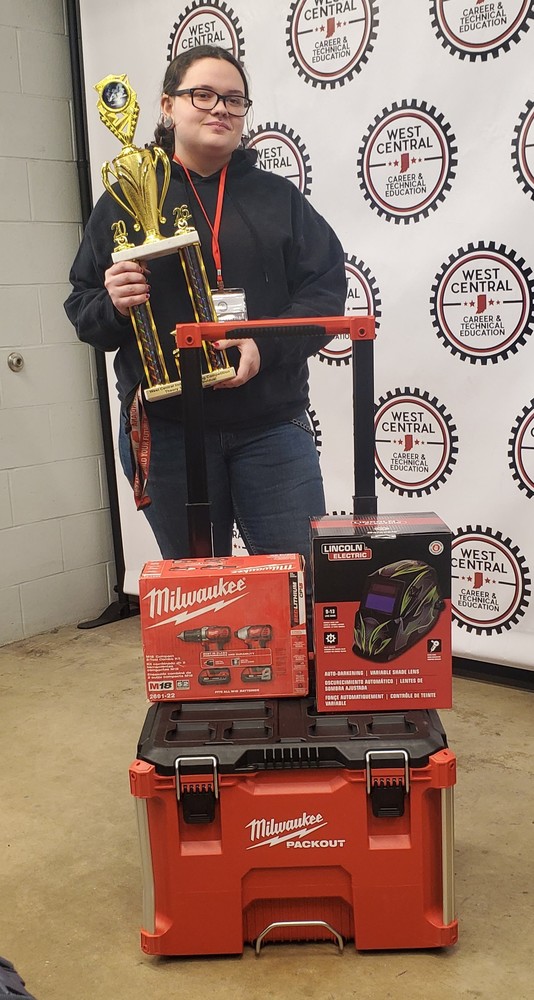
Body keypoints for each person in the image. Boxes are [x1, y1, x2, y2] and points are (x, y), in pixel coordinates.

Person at [65, 44, 346, 579]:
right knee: (199, 596)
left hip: (272, 426)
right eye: (204, 95)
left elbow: (325, 292)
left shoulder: (277, 198)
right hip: (169, 431)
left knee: (295, 583)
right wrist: (116, 303)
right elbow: (84, 312)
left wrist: (265, 346)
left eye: (235, 100)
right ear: (168, 107)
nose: (220, 108)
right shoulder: (122, 200)